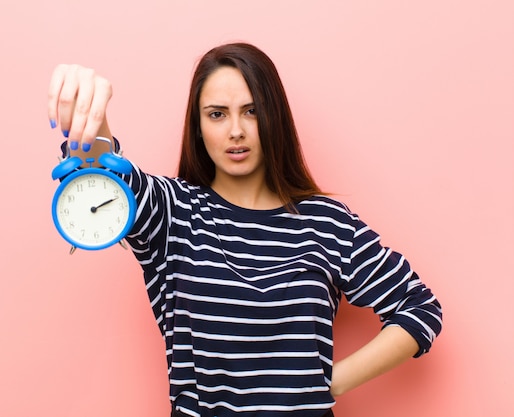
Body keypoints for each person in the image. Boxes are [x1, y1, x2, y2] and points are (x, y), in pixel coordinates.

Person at [47, 43, 443, 417]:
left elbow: (420, 308)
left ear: (275, 118)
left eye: (251, 111)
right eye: (217, 114)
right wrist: (90, 116)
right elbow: (105, 182)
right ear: (198, 127)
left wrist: (329, 383)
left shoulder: (326, 222)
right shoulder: (175, 211)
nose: (236, 130)